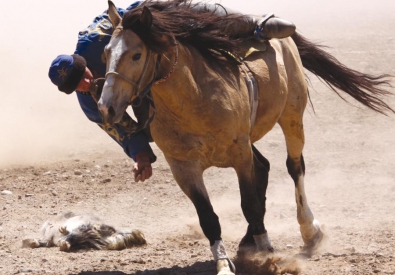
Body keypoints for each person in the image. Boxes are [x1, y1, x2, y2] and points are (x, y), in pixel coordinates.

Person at [48, 1, 296, 183]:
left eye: (83, 76)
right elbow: (121, 129)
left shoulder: (95, 38)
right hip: (139, 90)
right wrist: (141, 155)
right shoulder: (90, 103)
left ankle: (255, 25)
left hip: (146, 23)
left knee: (195, 17)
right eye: (77, 86)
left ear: (83, 63)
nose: (84, 84)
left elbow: (123, 19)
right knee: (151, 127)